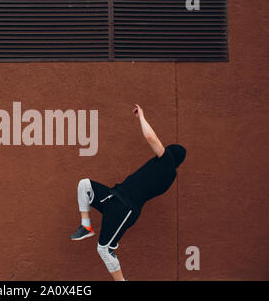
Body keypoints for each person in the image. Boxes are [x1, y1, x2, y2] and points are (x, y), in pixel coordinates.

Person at [70, 104, 187, 281]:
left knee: (104, 249)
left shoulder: (167, 166)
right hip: (113, 196)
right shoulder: (166, 172)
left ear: (171, 156)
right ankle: (86, 226)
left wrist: (141, 116)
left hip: (125, 209)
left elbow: (150, 137)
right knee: (84, 185)